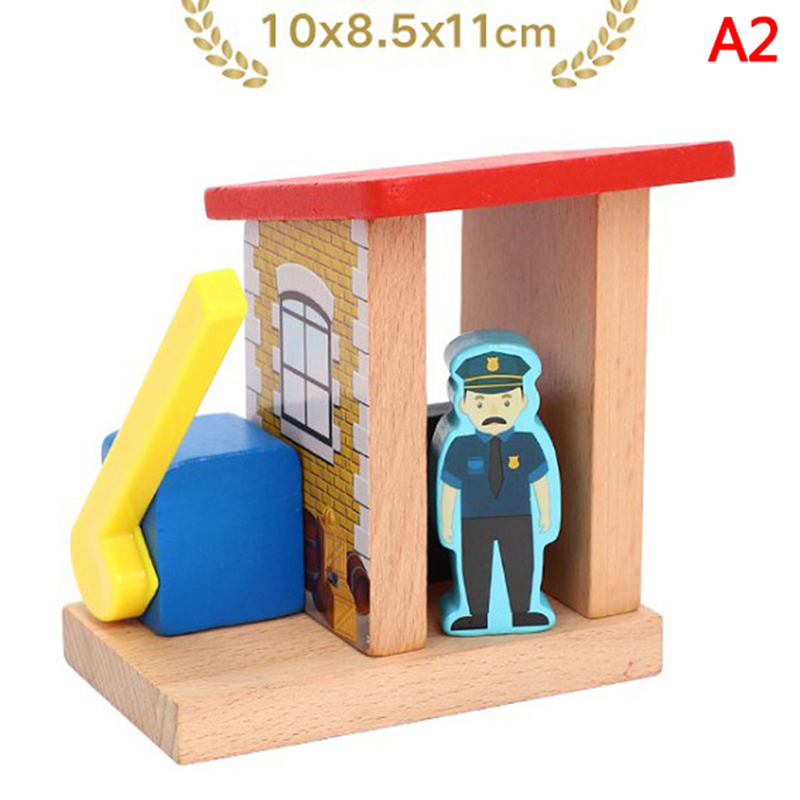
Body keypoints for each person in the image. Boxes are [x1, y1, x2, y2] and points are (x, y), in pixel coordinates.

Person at [440, 350, 552, 631]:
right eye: (481, 403)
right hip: (472, 520)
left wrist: (546, 515)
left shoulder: (527, 442)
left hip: (518, 516)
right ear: (463, 404)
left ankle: (523, 612)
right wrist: (446, 523)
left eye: (505, 401)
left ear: (523, 401)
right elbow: (450, 486)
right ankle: (475, 615)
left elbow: (540, 480)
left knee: (520, 563)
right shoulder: (460, 445)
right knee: (474, 565)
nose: (494, 412)